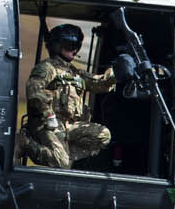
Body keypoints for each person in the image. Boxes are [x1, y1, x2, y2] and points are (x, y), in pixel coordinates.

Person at [22, 23, 116, 169]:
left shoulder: (74, 72)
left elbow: (99, 83)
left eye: (76, 45)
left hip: (69, 125)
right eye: (69, 44)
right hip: (49, 124)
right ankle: (24, 142)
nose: (74, 49)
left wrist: (115, 74)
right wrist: (48, 115)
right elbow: (33, 89)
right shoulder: (47, 68)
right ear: (57, 46)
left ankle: (61, 154)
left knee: (103, 135)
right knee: (61, 163)